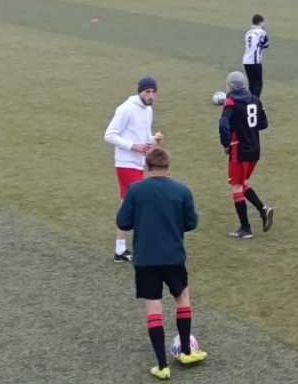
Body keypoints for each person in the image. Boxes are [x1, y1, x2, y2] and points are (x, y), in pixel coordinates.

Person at [115, 146, 206, 376]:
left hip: (145, 259)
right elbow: (191, 223)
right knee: (182, 299)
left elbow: (123, 222)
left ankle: (162, 366)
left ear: (147, 166)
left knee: (153, 309)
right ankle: (186, 351)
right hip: (173, 257)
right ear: (167, 166)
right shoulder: (181, 190)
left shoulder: (135, 190)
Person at [105, 76, 164, 263]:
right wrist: (133, 146)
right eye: (147, 92)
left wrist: (153, 140)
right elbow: (109, 135)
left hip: (138, 164)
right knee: (141, 205)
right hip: (126, 164)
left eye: (153, 92)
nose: (151, 95)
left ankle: (120, 250)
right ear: (140, 92)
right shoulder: (126, 109)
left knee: (127, 205)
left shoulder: (148, 110)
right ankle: (145, 247)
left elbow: (143, 138)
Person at [219, 71, 274, 239]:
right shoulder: (255, 100)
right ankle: (263, 210)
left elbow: (223, 123)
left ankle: (245, 228)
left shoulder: (230, 102)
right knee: (241, 183)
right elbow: (263, 123)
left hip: (239, 149)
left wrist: (226, 143)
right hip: (255, 149)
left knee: (236, 186)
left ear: (230, 86)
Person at [242, 14, 270, 94]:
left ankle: (249, 100)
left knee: (251, 83)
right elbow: (266, 44)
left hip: (246, 60)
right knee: (258, 83)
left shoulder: (248, 33)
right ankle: (255, 101)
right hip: (255, 61)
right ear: (260, 23)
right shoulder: (262, 32)